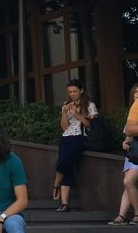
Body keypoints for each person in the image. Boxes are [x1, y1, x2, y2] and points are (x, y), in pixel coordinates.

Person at [52, 78, 98, 212]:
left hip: (80, 137)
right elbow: (64, 127)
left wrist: (77, 114)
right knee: (67, 166)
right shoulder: (67, 105)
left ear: (81, 91)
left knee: (64, 161)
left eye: (75, 91)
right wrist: (65, 113)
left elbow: (92, 126)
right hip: (66, 137)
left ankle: (56, 184)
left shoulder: (90, 105)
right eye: (70, 92)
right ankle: (64, 203)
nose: (72, 94)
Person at [109, 83, 138, 225]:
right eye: (135, 92)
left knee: (128, 181)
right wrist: (125, 144)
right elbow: (128, 135)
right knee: (127, 183)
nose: (137, 94)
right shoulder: (132, 112)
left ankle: (133, 215)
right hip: (133, 154)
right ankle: (122, 215)